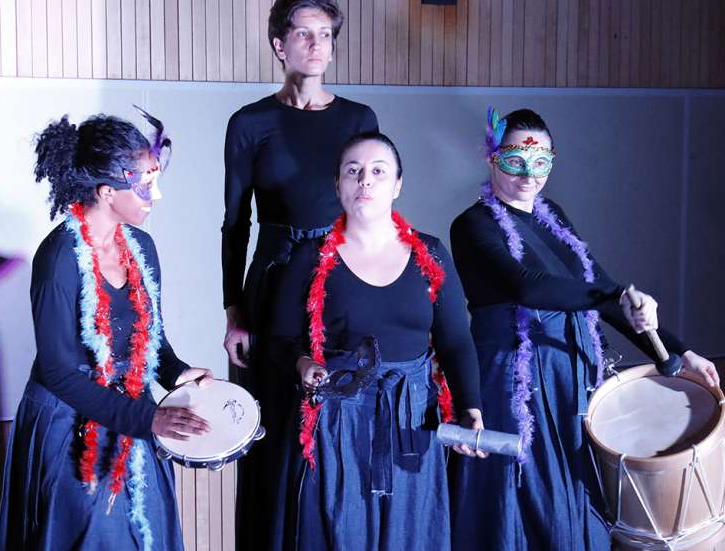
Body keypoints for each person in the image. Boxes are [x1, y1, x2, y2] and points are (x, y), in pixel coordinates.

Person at [449, 107, 719, 550]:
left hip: (566, 374)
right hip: (514, 381)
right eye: (516, 159)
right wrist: (610, 296)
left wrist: (677, 351)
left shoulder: (551, 215)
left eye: (541, 162)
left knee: (576, 488)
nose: (528, 174)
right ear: (492, 157)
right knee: (524, 487)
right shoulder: (472, 225)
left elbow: (602, 289)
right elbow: (525, 286)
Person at [0, 111, 214, 550]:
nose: (158, 194)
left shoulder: (142, 247)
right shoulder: (58, 257)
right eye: (146, 184)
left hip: (132, 414)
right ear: (107, 192)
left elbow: (151, 340)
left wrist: (177, 374)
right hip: (69, 425)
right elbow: (59, 372)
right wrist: (149, 418)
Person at [269, 132, 484, 550]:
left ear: (397, 185)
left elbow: (455, 341)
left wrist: (470, 407)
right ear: (338, 185)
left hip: (413, 421)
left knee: (413, 535)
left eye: (377, 172)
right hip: (338, 421)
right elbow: (278, 339)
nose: (364, 180)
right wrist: (302, 365)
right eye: (353, 171)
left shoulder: (431, 253)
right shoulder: (308, 257)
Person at [221, 0, 378, 548]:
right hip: (274, 277)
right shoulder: (249, 122)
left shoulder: (359, 118)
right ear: (279, 45)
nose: (318, 46)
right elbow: (235, 222)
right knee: (272, 425)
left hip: (341, 274)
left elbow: (372, 206)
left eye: (327, 36)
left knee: (338, 413)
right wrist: (234, 310)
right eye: (306, 34)